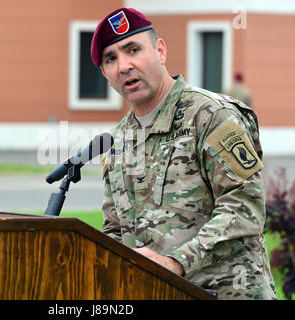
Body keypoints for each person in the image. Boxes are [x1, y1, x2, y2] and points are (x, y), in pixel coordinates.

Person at [91, 8, 277, 299]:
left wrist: (176, 262)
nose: (124, 65)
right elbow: (116, 228)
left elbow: (245, 208)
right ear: (105, 74)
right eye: (111, 59)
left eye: (133, 50)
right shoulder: (119, 141)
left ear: (160, 51)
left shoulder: (212, 115)